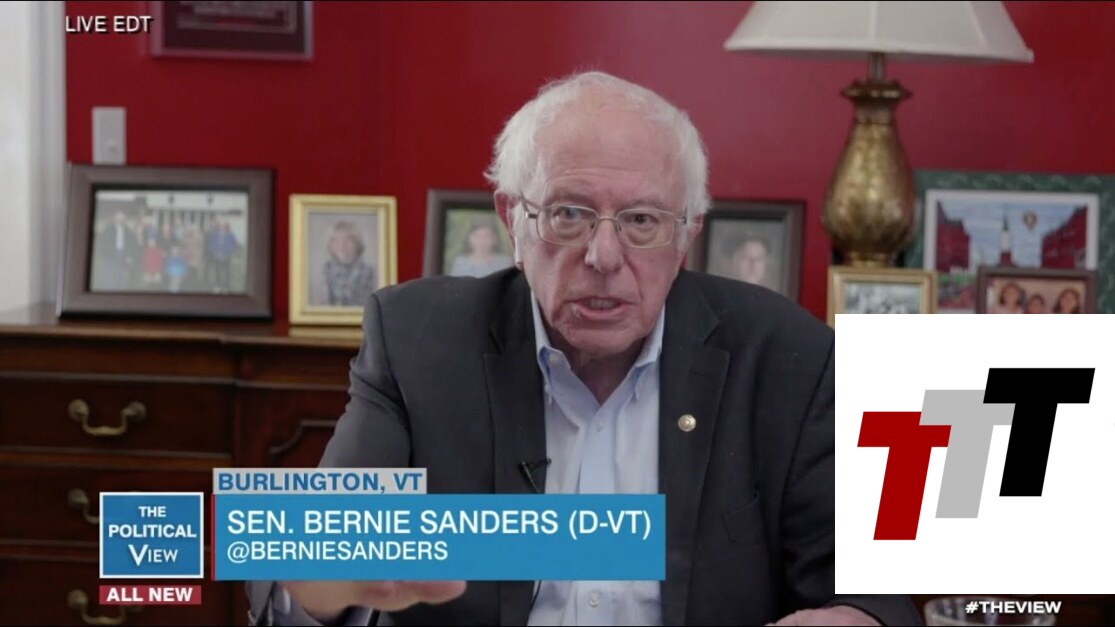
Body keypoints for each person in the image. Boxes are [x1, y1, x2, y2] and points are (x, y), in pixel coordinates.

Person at [247, 71, 918, 626]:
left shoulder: (790, 359)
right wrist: (315, 589)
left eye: (641, 220)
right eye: (568, 214)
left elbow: (875, 597)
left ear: (686, 235)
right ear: (511, 220)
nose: (603, 256)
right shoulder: (418, 341)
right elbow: (310, 562)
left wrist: (853, 617)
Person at [323, 220, 378, 306]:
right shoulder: (327, 269)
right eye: (336, 240)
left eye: (347, 240)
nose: (341, 245)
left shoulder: (367, 271)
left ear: (357, 243)